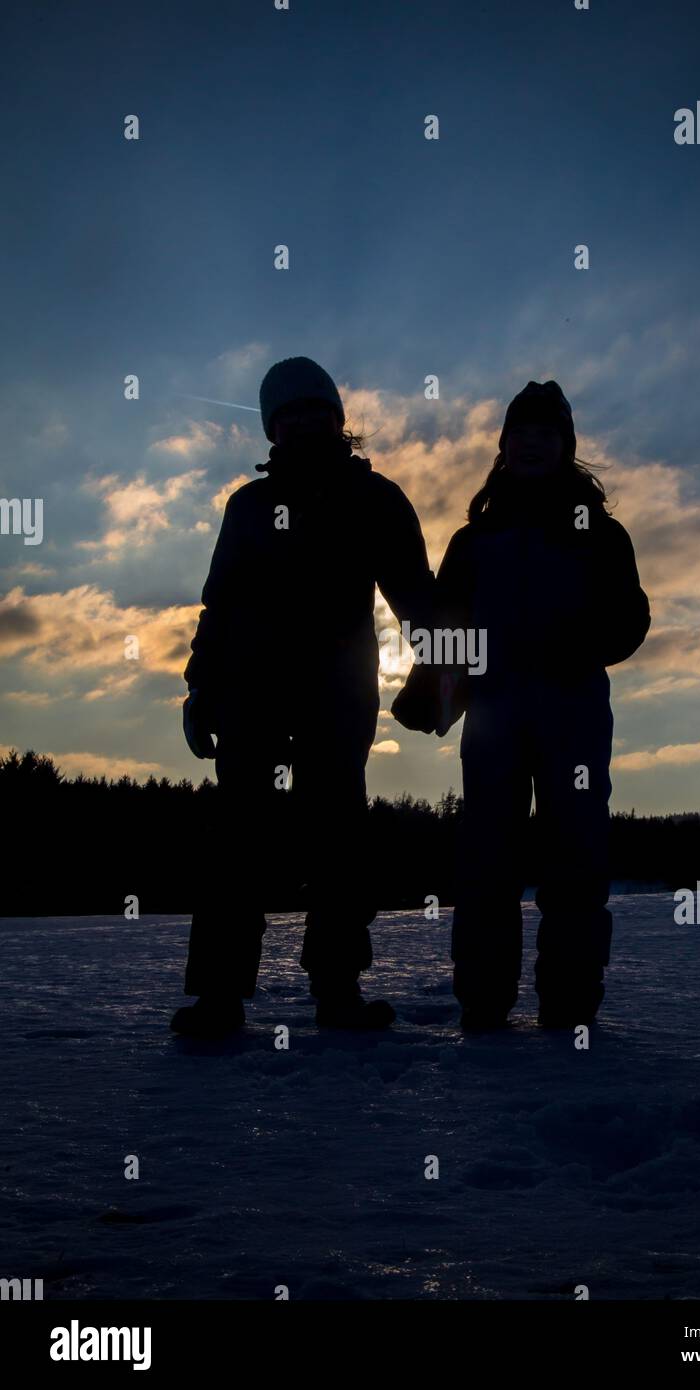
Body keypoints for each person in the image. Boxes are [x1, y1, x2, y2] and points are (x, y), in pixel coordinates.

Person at [172, 357, 435, 1038]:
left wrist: (439, 671)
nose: (303, 422)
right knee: (236, 842)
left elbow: (416, 598)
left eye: (316, 410)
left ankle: (338, 991)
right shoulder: (249, 506)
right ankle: (219, 998)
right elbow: (220, 605)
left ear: (337, 418)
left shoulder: (375, 499)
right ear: (272, 428)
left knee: (338, 840)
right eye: (288, 414)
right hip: (249, 694)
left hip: (338, 695)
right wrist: (200, 688)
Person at [393, 381, 651, 1031]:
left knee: (577, 854)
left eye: (547, 434)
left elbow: (630, 617)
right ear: (503, 446)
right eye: (521, 433)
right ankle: (483, 1001)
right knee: (487, 858)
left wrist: (585, 641)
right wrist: (427, 687)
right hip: (494, 720)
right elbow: (447, 628)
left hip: (575, 717)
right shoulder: (473, 541)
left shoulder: (600, 533)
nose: (532, 443)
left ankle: (569, 1004)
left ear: (567, 448)